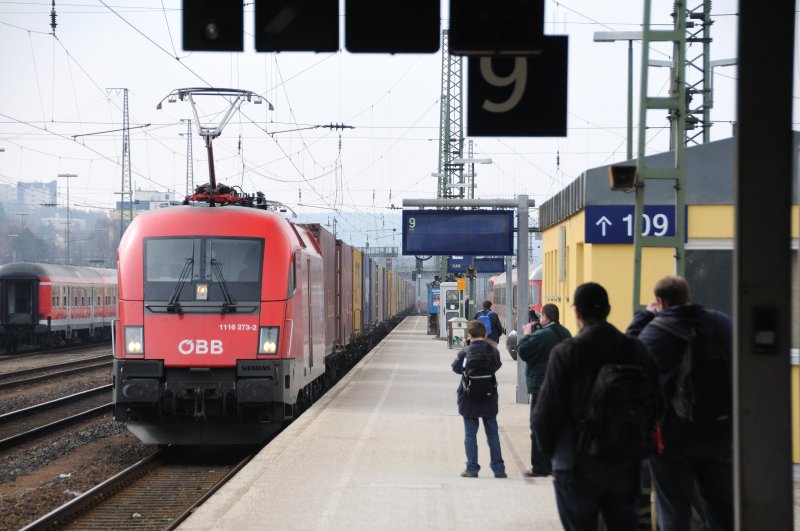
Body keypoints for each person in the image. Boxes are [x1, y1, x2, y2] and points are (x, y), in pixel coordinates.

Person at [534, 282, 661, 531]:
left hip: (575, 462)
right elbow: (658, 403)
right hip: (626, 462)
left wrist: (550, 454)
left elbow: (546, 412)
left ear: (577, 313)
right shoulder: (636, 350)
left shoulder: (567, 352)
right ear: (609, 310)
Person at [626, 275, 733, 531]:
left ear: (660, 302)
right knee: (721, 509)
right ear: (689, 297)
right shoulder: (721, 323)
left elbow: (629, 364)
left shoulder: (656, 331)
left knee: (674, 511)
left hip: (670, 439)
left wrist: (643, 317)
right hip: (719, 431)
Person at [516, 303, 571, 477]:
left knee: (538, 424)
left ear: (545, 317)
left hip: (542, 386)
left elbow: (523, 351)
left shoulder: (542, 335)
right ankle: (556, 464)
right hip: (561, 386)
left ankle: (540, 467)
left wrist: (526, 335)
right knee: (557, 425)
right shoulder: (566, 333)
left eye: (541, 316)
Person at [451, 319, 506, 478]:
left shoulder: (465, 352)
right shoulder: (493, 351)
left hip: (469, 398)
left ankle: (472, 468)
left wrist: (464, 349)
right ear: (486, 334)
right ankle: (499, 469)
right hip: (489, 396)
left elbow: (456, 369)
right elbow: (497, 366)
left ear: (469, 335)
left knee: (470, 434)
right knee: (492, 434)